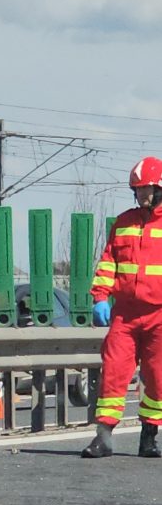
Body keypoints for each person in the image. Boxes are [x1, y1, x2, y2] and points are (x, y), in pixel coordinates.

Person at [82, 156, 162, 459]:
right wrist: (100, 297)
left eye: (148, 189)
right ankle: (103, 437)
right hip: (125, 314)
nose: (142, 195)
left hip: (159, 315)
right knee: (113, 373)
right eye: (138, 189)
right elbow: (107, 263)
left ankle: (149, 436)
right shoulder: (124, 222)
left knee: (157, 377)